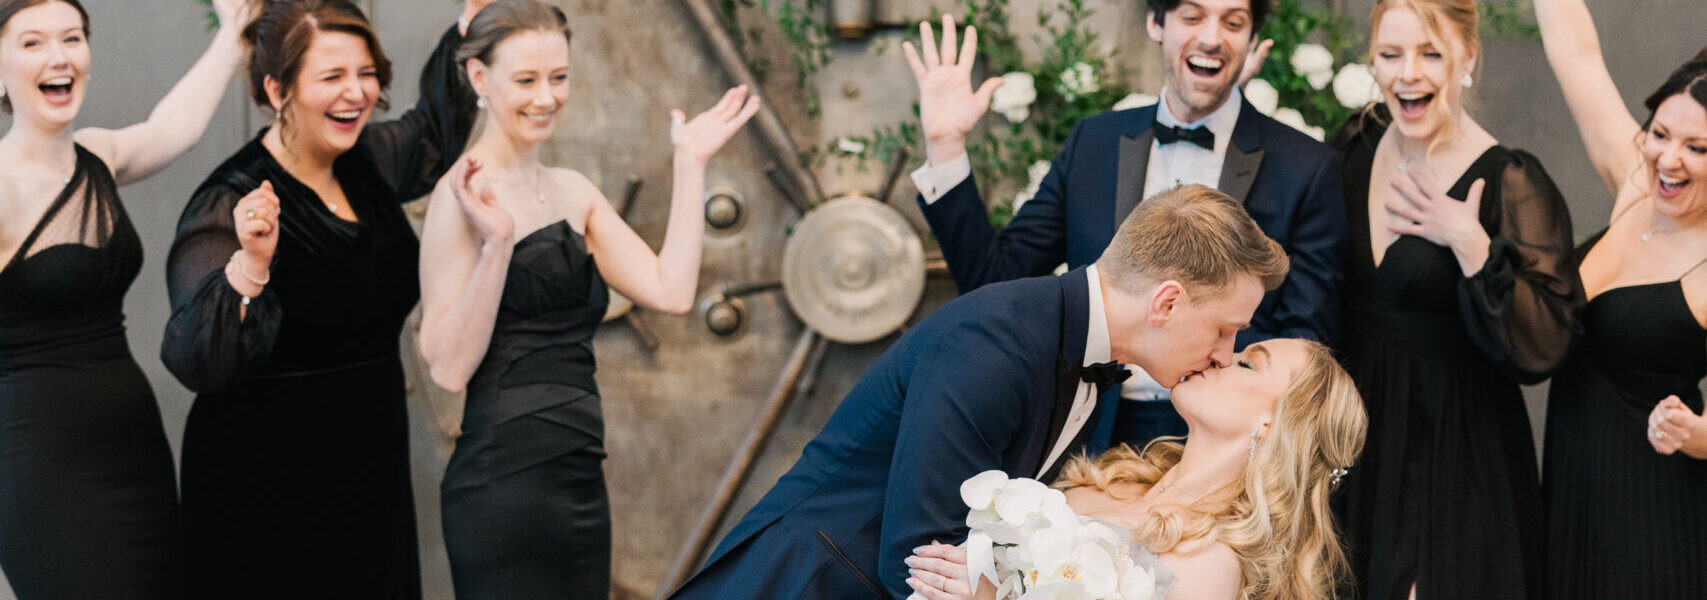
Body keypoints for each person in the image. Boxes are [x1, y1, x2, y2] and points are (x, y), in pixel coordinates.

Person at [669, 184, 1291, 600]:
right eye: (1225, 328)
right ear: (1167, 302)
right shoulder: (994, 344)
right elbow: (916, 558)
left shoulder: (1082, 356)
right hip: (807, 584)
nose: (1223, 353)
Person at [414, 1, 760, 597]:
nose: (546, 97)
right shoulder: (459, 194)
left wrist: (691, 163)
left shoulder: (572, 190)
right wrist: (497, 248)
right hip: (502, 485)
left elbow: (670, 292)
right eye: (526, 80)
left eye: (559, 77)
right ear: (479, 78)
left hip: (578, 476)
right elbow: (447, 369)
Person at [904, 0, 1345, 453]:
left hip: (1221, 440)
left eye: (1233, 22)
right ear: (1157, 23)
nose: (1212, 37)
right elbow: (996, 282)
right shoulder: (1094, 142)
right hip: (1085, 426)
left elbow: (1304, 347)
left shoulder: (1307, 167)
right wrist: (946, 146)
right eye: (1192, 17)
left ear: (1252, 39)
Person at [158, 0, 474, 597]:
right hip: (263, 479)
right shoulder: (227, 202)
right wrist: (251, 265)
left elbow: (433, 131)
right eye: (331, 77)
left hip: (368, 456)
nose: (356, 93)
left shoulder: (370, 161)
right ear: (277, 89)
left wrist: (469, 25)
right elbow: (199, 359)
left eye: (366, 73)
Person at [1329, 1, 1583, 598]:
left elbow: (1546, 345)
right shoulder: (1353, 146)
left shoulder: (1510, 179)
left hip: (1455, 456)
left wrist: (1471, 244)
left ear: (1468, 58)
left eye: (1430, 53)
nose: (1407, 74)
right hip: (1356, 446)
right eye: (1390, 55)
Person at [0, 0, 248, 597]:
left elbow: (174, 130)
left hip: (133, 447)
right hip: (44, 466)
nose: (59, 56)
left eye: (73, 38)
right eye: (32, 43)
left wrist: (232, 34)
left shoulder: (99, 156)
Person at [904, 338, 1367, 600]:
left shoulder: (1211, 566)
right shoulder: (1113, 478)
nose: (1223, 356)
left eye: (1247, 363)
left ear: (1273, 423)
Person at [1535, 0, 1707, 596]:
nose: (1668, 158)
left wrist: (1695, 433)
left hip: (1656, 508)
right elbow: (1576, 55)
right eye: (1660, 134)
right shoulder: (1636, 184)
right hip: (1575, 481)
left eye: (1697, 148)